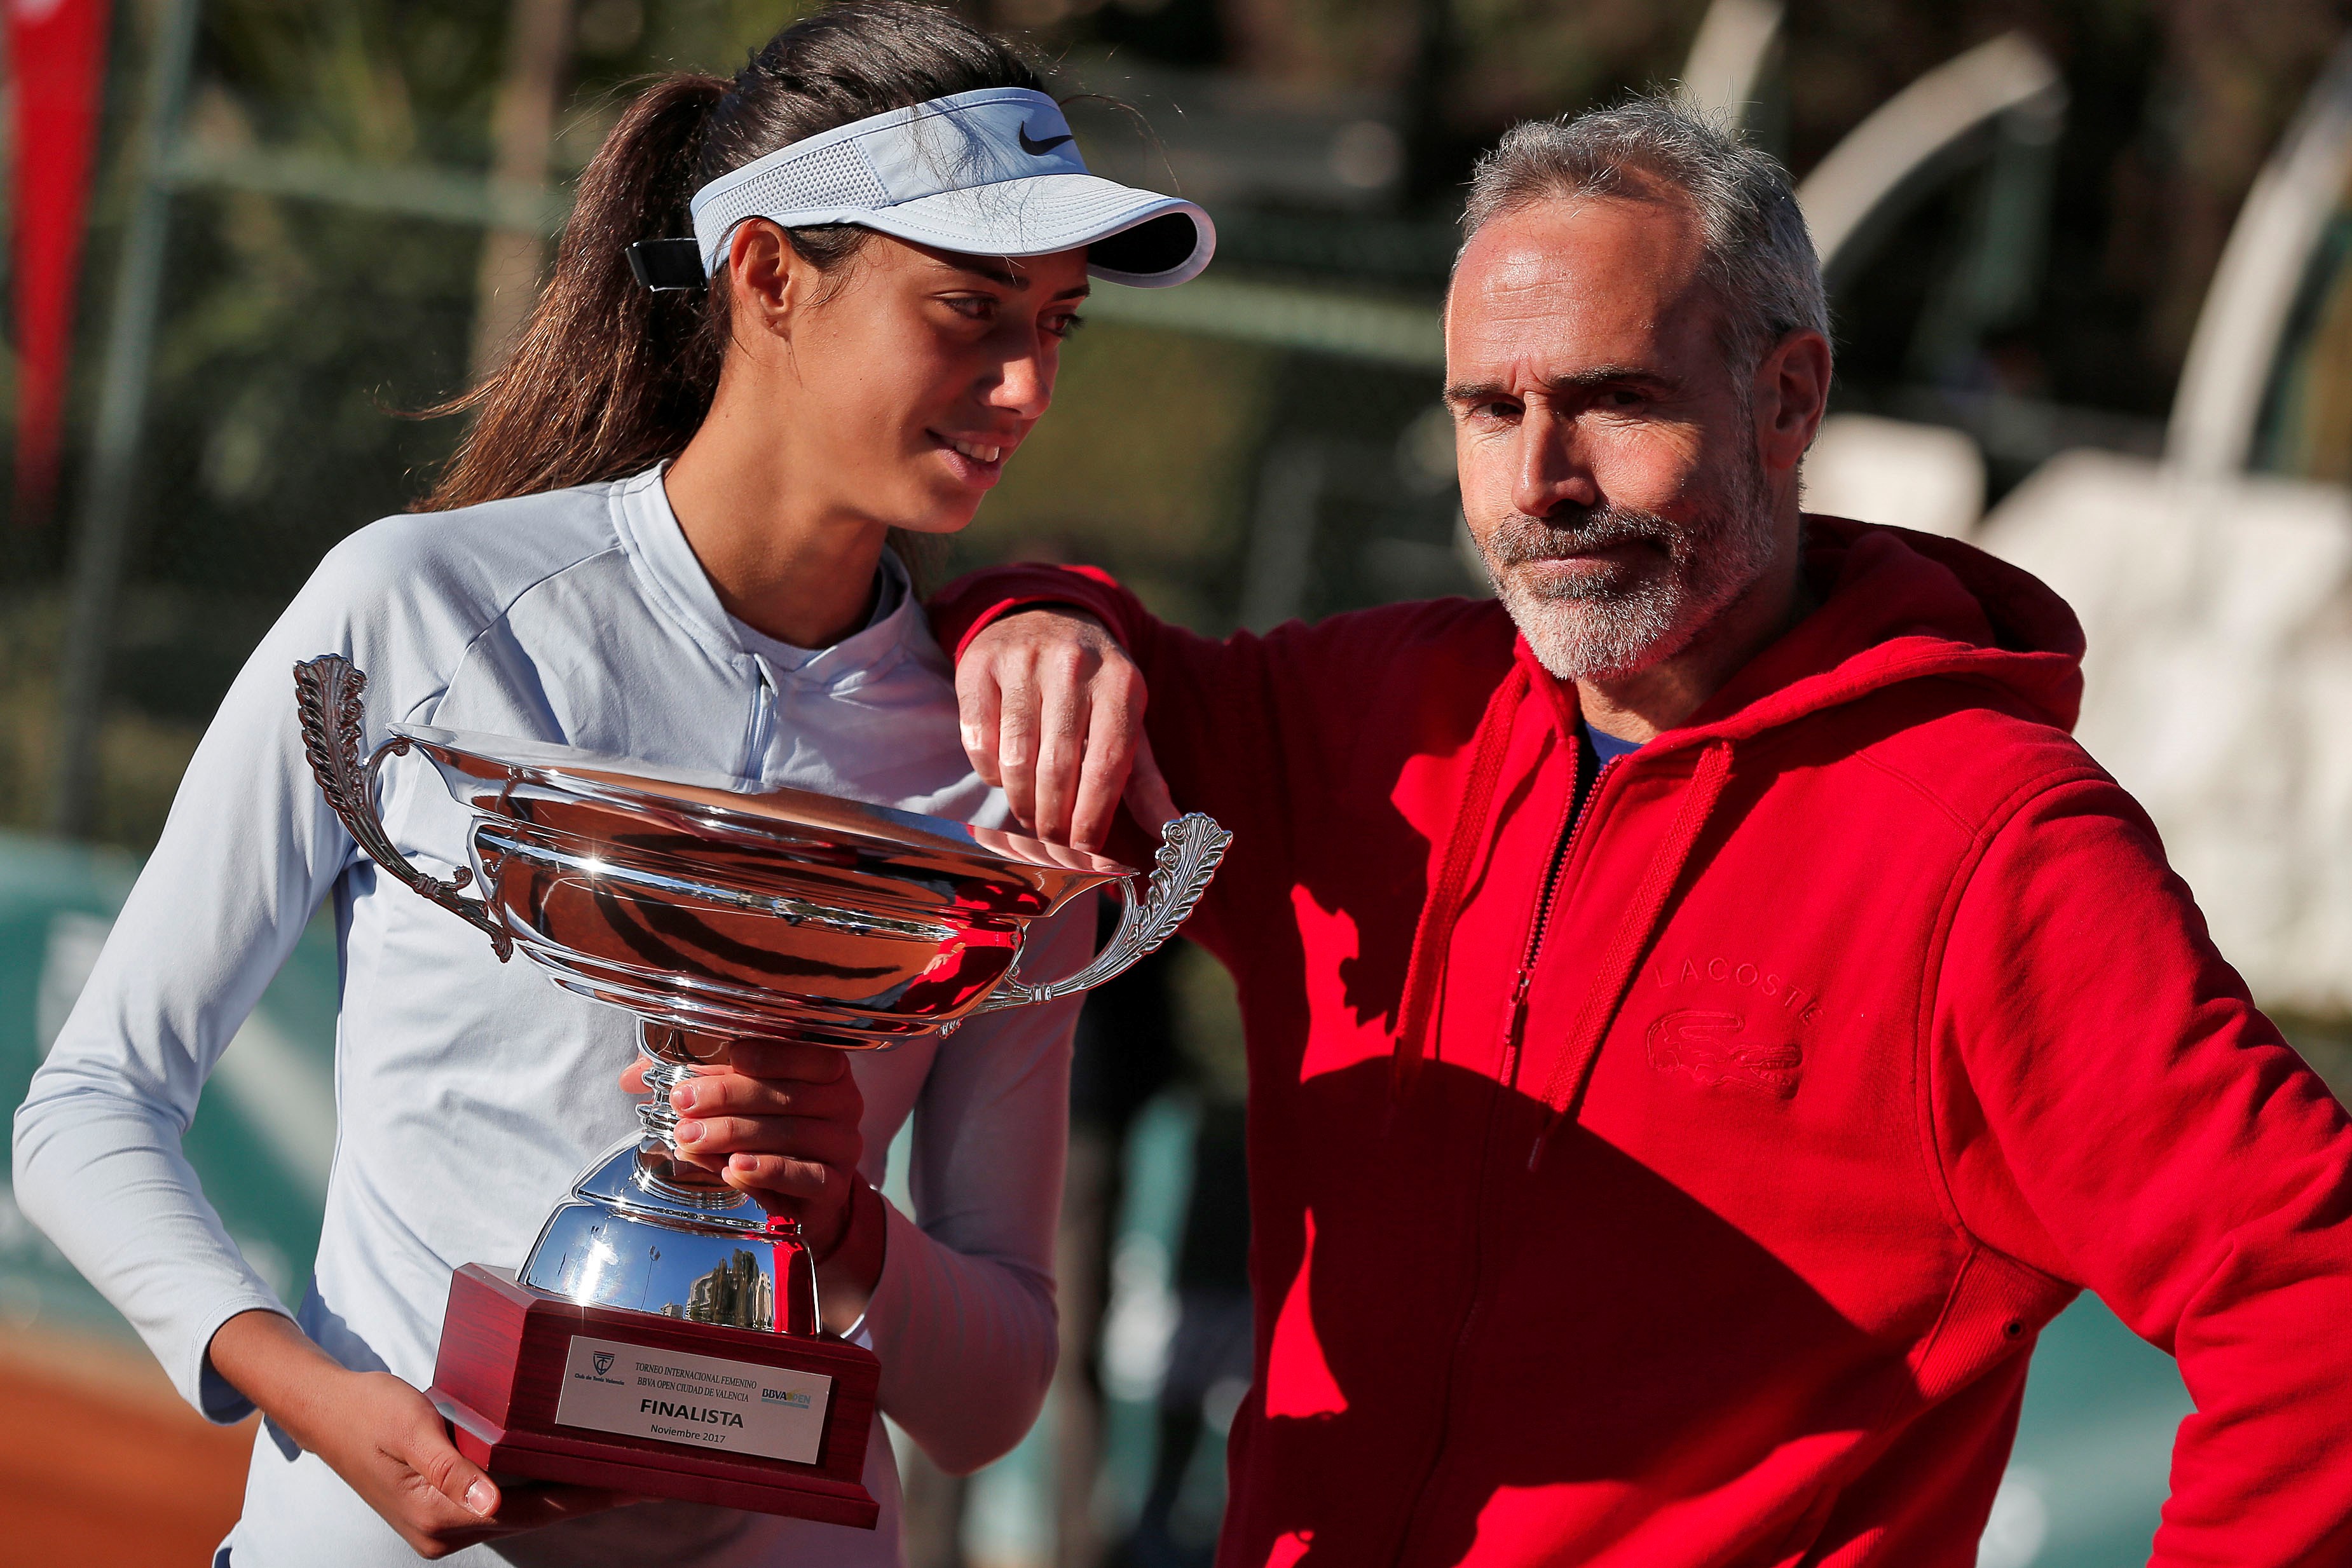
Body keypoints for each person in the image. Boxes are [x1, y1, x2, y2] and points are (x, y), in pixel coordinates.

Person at [936, 97, 2352, 1567]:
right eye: (1489, 409)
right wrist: (1039, 614)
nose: (1539, 482)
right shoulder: (1374, 713)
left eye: (1611, 399)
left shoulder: (1992, 848)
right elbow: (1029, 665)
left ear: (1788, 398)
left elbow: (2315, 1300)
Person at [11, 4, 1214, 1564]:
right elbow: (91, 1104)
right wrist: (310, 1393)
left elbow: (992, 1394)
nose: (1025, 387)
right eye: (968, 309)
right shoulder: (417, 607)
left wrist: (847, 1223)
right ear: (769, 275)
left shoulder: (1013, 755)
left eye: (1055, 324)